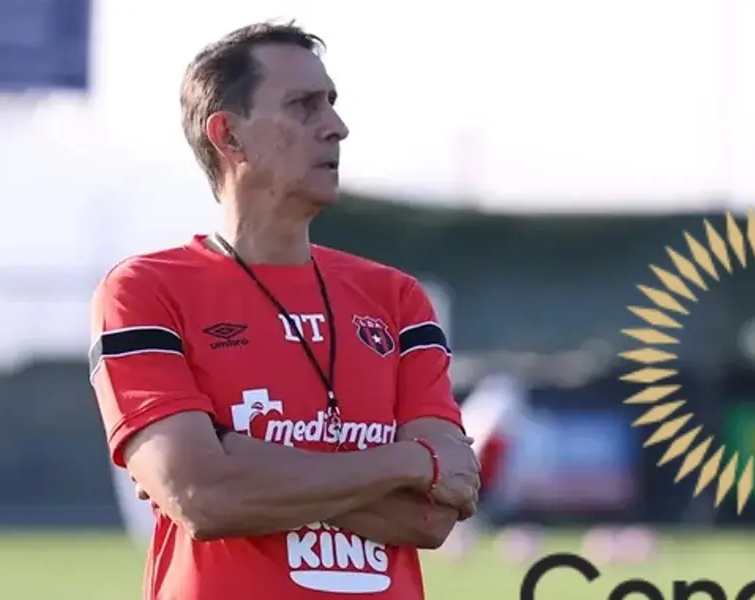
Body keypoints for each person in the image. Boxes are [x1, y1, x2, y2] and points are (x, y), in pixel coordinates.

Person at [87, 21, 480, 600]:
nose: (337, 126)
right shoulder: (144, 291)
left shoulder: (397, 300)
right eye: (303, 106)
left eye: (332, 104)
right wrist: (409, 463)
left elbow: (432, 518)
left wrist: (251, 465)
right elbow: (206, 500)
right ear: (229, 136)